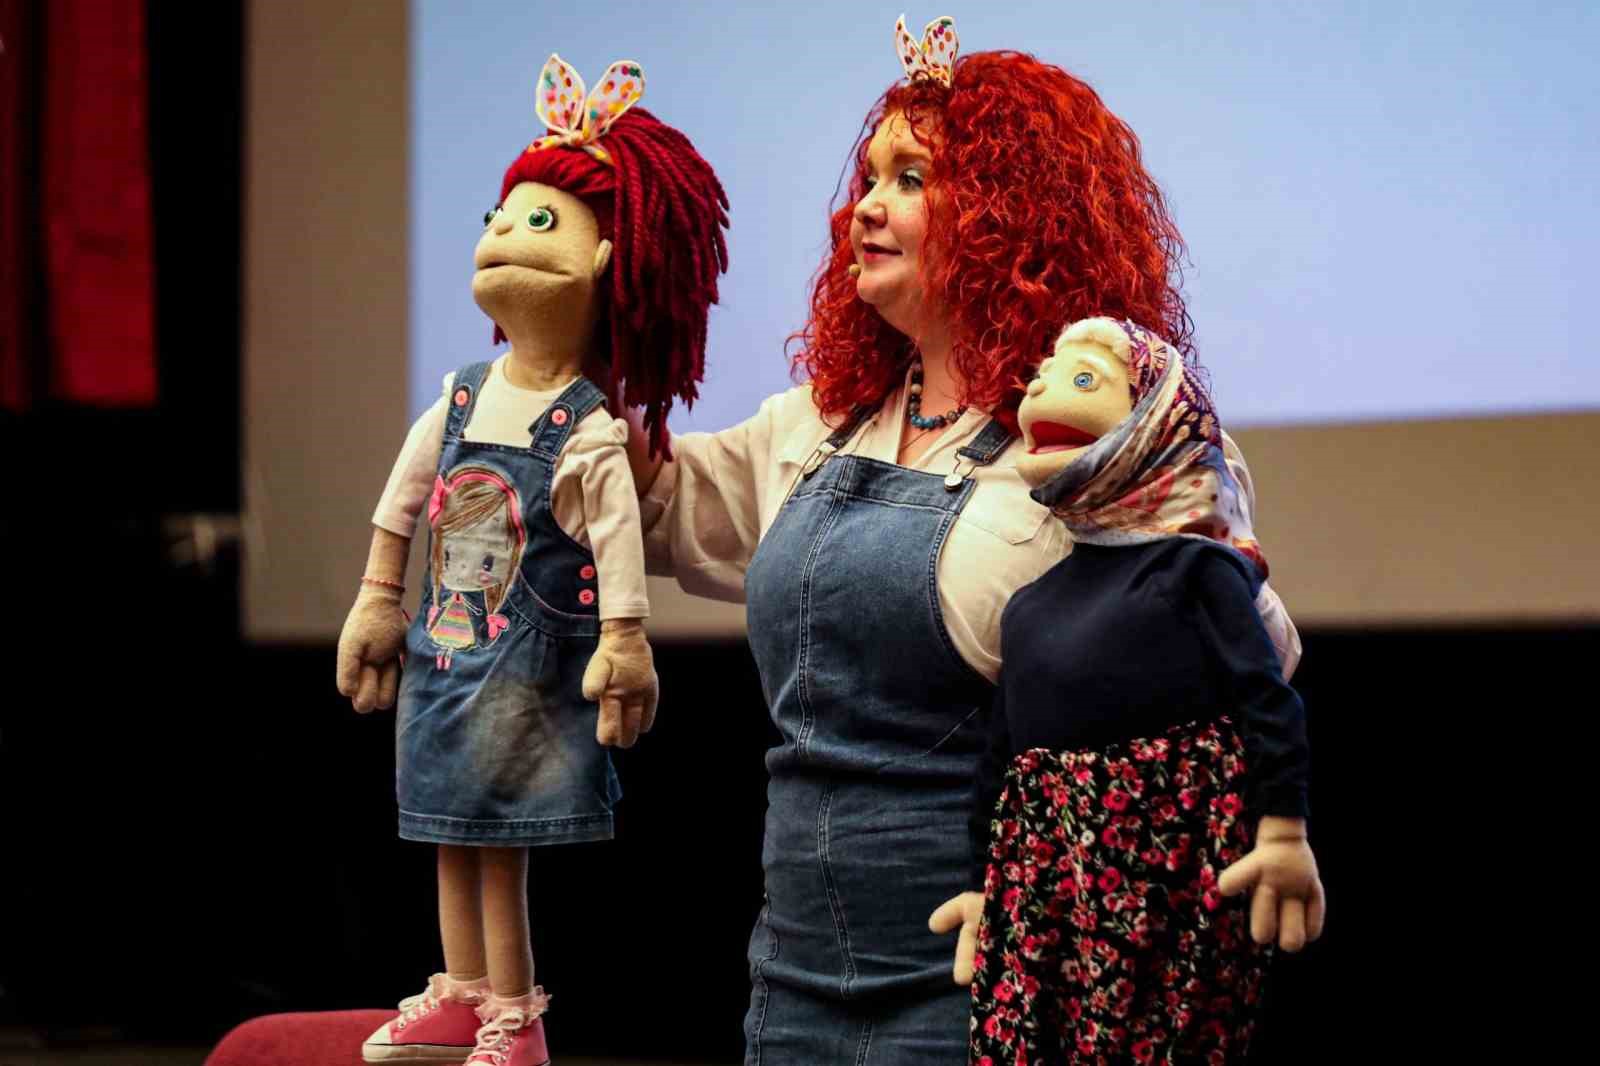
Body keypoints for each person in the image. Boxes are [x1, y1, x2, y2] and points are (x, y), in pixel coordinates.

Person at [622, 15, 1302, 1065]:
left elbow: (1255, 651)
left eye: (910, 179)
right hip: (790, 988)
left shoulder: (1101, 438)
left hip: (991, 985)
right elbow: (652, 504)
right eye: (869, 178)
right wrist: (588, 364)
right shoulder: (821, 423)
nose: (865, 207)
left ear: (1005, 216)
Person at [335, 53, 728, 1066]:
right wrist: (378, 599)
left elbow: (617, 540)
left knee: (499, 841)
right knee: (445, 825)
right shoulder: (461, 395)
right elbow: (403, 500)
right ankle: (462, 991)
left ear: (604, 260)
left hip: (525, 671)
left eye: (540, 221)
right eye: (500, 218)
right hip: (445, 654)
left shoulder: (587, 426)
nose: (505, 236)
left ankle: (515, 1013)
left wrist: (626, 641)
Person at [930, 316, 1324, 1064]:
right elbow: (1000, 758)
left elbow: (1267, 702)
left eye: (1083, 381)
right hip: (1043, 875)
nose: (1042, 393)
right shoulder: (1032, 602)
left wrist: (1282, 831)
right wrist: (984, 887)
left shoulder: (1198, 569)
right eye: (1042, 379)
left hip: (1172, 873)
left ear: (1154, 422)